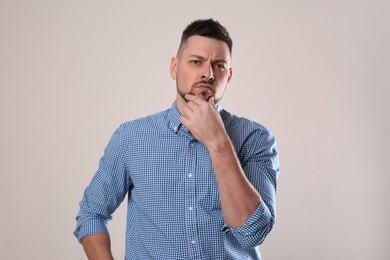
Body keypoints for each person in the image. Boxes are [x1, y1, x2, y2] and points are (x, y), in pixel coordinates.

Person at [74, 18, 280, 259]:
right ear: (174, 68)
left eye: (219, 65)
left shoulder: (255, 139)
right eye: (196, 62)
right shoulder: (131, 138)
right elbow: (91, 213)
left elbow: (252, 232)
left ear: (229, 76)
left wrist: (218, 142)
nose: (208, 73)